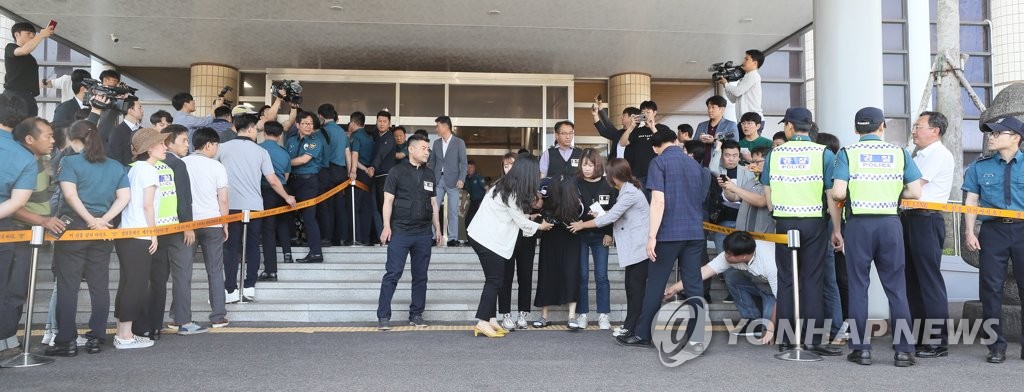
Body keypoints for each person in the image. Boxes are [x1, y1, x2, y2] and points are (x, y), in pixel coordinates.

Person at [832, 107, 922, 367]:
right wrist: (890, 193)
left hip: (859, 224)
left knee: (859, 287)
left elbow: (838, 193)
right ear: (882, 126)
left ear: (855, 129)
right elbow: (915, 192)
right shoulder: (899, 153)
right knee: (896, 288)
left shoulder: (848, 153)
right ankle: (904, 351)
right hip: (890, 224)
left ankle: (861, 350)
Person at [760, 107, 842, 356]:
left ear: (789, 127)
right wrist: (836, 228)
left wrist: (776, 211)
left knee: (787, 279)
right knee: (812, 279)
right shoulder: (824, 154)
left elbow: (767, 190)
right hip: (814, 222)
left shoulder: (774, 154)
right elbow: (831, 195)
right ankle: (813, 340)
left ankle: (786, 339)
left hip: (784, 223)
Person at [44, 120, 129, 356]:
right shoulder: (115, 165)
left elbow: (70, 196)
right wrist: (103, 220)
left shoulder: (69, 162)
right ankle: (97, 337)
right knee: (99, 286)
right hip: (104, 230)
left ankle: (66, 341)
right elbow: (124, 198)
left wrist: (89, 220)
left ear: (73, 139)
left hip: (73, 229)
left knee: (68, 286)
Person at [619, 129, 707, 348]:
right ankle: (696, 338)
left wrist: (651, 236)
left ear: (655, 148)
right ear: (676, 141)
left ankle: (643, 334)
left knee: (655, 285)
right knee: (694, 285)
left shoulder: (658, 163)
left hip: (668, 234)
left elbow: (658, 202)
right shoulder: (696, 165)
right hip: (695, 233)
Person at [467, 156, 553, 337]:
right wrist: (540, 226)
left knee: (494, 279)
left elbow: (517, 217)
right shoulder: (511, 190)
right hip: (487, 239)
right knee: (495, 279)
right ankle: (482, 322)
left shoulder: (506, 185)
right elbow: (520, 221)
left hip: (483, 236)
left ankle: (490, 319)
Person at [963, 115, 1024, 364]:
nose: (992, 136)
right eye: (991, 133)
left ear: (1016, 138)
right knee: (990, 290)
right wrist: (969, 232)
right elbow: (971, 201)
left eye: (998, 133)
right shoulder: (980, 166)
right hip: (993, 232)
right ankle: (995, 346)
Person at [219, 113, 296, 303]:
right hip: (254, 206)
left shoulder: (222, 148)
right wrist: (287, 197)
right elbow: (273, 180)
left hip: (230, 206)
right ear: (252, 129)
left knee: (231, 247)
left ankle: (230, 290)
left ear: (235, 128)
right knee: (253, 244)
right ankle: (249, 286)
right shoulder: (261, 152)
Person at [569, 158, 649, 338]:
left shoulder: (628, 193)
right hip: (634, 247)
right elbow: (616, 216)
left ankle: (633, 327)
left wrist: (583, 225)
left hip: (638, 247)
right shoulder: (626, 190)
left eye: (608, 173)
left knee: (635, 289)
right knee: (631, 287)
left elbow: (611, 217)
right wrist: (600, 215)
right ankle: (631, 325)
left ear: (614, 176)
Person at [903, 111, 955, 358]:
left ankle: (938, 340)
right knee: (911, 279)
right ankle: (919, 336)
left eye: (918, 126)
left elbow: (914, 189)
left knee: (928, 279)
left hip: (926, 219)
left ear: (935, 131)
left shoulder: (938, 154)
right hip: (910, 219)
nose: (914, 130)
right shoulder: (919, 155)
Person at [663, 231, 777, 344]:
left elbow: (782, 298)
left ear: (743, 256)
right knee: (733, 277)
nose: (725, 255)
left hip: (777, 293)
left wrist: (770, 329)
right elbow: (703, 272)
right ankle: (752, 319)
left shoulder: (770, 262)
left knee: (769, 330)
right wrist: (674, 288)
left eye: (729, 254)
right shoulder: (731, 254)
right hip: (760, 284)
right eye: (726, 251)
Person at [376, 134, 441, 330]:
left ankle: (416, 314)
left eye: (428, 149)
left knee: (421, 276)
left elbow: (433, 204)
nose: (427, 152)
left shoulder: (430, 174)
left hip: (423, 233)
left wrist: (438, 229)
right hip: (401, 232)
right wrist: (386, 226)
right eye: (423, 148)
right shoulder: (396, 171)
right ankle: (383, 315)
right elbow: (387, 201)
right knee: (393, 273)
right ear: (411, 149)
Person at [114, 127, 171, 350]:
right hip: (139, 234)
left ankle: (122, 332)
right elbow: (148, 205)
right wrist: (153, 233)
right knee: (136, 286)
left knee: (128, 284)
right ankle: (125, 336)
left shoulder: (134, 169)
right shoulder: (148, 170)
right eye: (161, 144)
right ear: (149, 148)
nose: (165, 147)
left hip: (127, 233)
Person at [151, 124, 207, 336]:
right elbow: (184, 199)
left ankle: (153, 323)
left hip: (154, 228)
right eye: (184, 140)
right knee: (182, 274)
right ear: (169, 142)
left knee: (156, 277)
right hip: (176, 228)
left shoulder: (148, 163)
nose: (187, 145)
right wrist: (188, 227)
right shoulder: (177, 164)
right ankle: (183, 321)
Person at [2, 117, 51, 352]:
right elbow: (17, 205)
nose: (53, 141)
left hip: (24, 234)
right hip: (15, 232)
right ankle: (6, 343)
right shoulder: (23, 159)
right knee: (12, 289)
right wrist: (44, 220)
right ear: (29, 138)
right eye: (48, 136)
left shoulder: (37, 160)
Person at [181, 127, 231, 328]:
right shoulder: (217, 167)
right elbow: (224, 199)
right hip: (212, 223)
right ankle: (218, 316)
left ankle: (179, 316)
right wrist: (224, 223)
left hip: (187, 224)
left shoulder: (181, 163)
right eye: (216, 145)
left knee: (183, 270)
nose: (217, 149)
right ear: (209, 144)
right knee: (215, 270)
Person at [532, 175, 585, 329]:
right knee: (552, 274)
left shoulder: (575, 203)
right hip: (556, 239)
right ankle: (556, 316)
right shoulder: (550, 201)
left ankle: (565, 316)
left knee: (568, 274)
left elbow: (581, 216)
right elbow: (537, 206)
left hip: (563, 239)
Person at [495, 152, 541, 330]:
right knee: (505, 276)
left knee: (525, 275)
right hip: (506, 236)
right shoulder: (500, 187)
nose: (509, 168)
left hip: (526, 236)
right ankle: (506, 315)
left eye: (511, 165)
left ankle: (523, 314)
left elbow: (538, 205)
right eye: (505, 165)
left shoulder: (528, 187)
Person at [572, 149, 616, 330]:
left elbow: (615, 212)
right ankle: (582, 314)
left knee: (601, 276)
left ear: (598, 165)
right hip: (580, 235)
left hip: (600, 236)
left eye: (590, 165)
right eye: (584, 165)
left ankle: (603, 315)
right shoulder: (575, 183)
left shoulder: (609, 184)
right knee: (581, 276)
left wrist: (609, 233)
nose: (587, 168)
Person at [286, 111, 326, 263]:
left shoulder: (316, 140)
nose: (309, 126)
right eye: (305, 123)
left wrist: (284, 162)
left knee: (309, 218)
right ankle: (290, 243)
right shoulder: (291, 140)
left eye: (311, 123)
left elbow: (304, 160)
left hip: (308, 182)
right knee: (286, 215)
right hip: (292, 181)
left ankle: (316, 253)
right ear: (297, 125)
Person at [257, 121, 293, 282]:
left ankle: (270, 269)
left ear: (264, 133)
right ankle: (287, 255)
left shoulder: (258, 149)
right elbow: (285, 177)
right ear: (280, 136)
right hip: (283, 191)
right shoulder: (284, 153)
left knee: (267, 230)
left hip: (265, 191)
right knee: (283, 223)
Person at [427, 116, 468, 246]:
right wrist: (429, 178)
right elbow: (432, 163)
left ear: (445, 126)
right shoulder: (437, 143)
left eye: (438, 126)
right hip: (437, 180)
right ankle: (432, 237)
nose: (436, 128)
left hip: (454, 181)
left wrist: (462, 178)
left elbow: (464, 163)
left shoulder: (459, 142)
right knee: (433, 209)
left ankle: (452, 238)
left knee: (453, 211)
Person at [316, 103, 349, 247]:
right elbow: (348, 153)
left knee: (325, 206)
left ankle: (327, 237)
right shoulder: (342, 132)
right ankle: (341, 237)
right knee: (340, 206)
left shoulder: (322, 131)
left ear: (320, 116)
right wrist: (349, 172)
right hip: (341, 172)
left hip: (327, 170)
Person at [4, 22, 53, 117]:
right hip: (14, 96)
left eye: (33, 34)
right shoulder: (10, 47)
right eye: (28, 33)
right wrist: (41, 35)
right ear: (17, 34)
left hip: (28, 96)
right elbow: (24, 50)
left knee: (29, 127)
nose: (32, 36)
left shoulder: (30, 58)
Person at [620, 101, 672, 190]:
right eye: (643, 112)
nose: (646, 115)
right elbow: (622, 143)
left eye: (648, 112)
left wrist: (653, 128)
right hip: (639, 174)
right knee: (641, 202)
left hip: (657, 173)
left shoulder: (663, 128)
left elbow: (665, 144)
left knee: (654, 201)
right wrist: (631, 127)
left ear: (655, 113)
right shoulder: (638, 131)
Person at [369, 111, 398, 243]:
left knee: (386, 208)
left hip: (386, 177)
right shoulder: (376, 135)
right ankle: (382, 237)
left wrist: (372, 167)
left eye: (384, 121)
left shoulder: (389, 138)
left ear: (389, 123)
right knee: (378, 208)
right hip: (377, 177)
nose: (381, 124)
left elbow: (381, 154)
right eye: (379, 121)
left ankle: (390, 238)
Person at [719, 49, 765, 121]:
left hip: (753, 121)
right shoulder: (745, 77)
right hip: (744, 121)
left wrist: (726, 84)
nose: (743, 61)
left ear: (755, 63)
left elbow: (737, 92)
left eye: (746, 59)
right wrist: (725, 85)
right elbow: (733, 99)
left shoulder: (753, 75)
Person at [694, 95, 739, 167]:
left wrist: (714, 141)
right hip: (701, 164)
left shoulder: (730, 125)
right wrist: (700, 140)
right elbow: (693, 146)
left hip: (720, 165)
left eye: (713, 107)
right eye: (708, 108)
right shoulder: (701, 125)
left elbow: (733, 144)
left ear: (722, 109)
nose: (710, 110)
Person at [107, 98, 145, 166]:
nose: (142, 111)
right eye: (139, 108)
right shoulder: (117, 131)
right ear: (130, 110)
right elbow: (115, 157)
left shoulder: (142, 130)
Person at [464, 160, 486, 227]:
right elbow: (465, 192)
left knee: (478, 221)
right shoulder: (466, 179)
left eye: (471, 167)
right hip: (473, 202)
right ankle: (469, 237)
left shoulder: (478, 177)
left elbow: (487, 190)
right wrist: (462, 205)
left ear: (474, 168)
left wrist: (483, 203)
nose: (469, 169)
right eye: (468, 167)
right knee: (467, 221)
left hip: (480, 202)